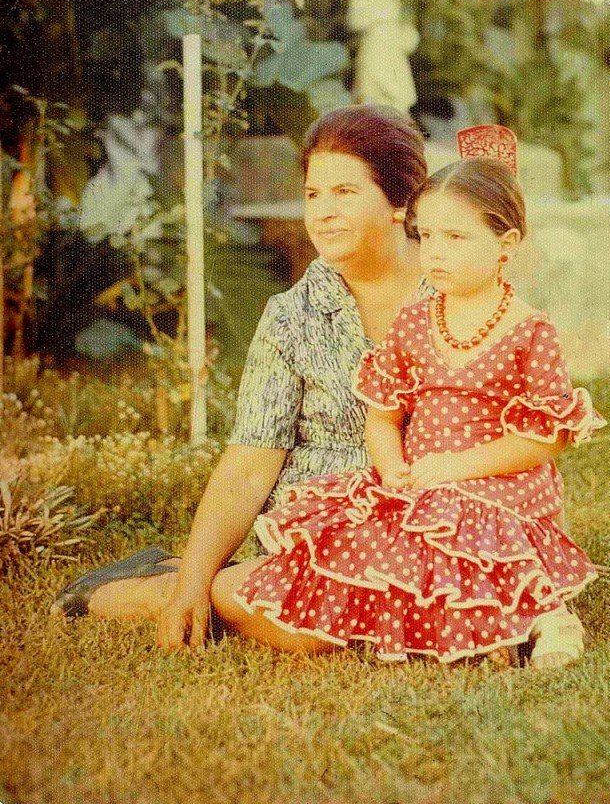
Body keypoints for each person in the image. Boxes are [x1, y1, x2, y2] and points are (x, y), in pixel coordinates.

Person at [52, 112, 568, 664]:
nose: (322, 212)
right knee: (308, 629)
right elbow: (250, 463)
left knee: (421, 612)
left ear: (401, 204)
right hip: (320, 529)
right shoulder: (291, 317)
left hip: (446, 516)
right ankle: (156, 586)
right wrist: (192, 585)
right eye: (312, 193)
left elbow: (527, 433)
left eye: (345, 191)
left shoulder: (460, 284)